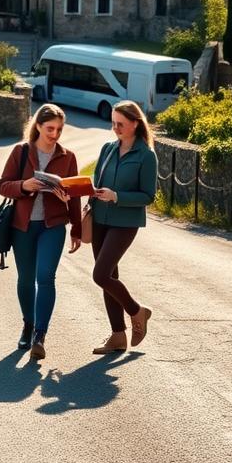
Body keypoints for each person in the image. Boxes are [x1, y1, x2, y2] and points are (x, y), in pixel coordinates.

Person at [0, 104, 84, 359]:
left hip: (53, 226)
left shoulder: (68, 157)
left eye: (59, 129)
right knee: (25, 279)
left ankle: (40, 335)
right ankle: (28, 324)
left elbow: (75, 196)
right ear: (37, 126)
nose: (55, 134)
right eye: (50, 129)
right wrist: (25, 185)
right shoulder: (21, 152)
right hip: (23, 226)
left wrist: (76, 228)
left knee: (46, 277)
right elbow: (3, 186)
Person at [86, 100, 158, 355]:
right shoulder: (107, 149)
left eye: (121, 124)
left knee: (100, 274)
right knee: (109, 278)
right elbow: (97, 181)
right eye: (113, 123)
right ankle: (118, 336)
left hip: (125, 222)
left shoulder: (146, 156)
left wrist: (117, 196)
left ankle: (137, 311)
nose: (115, 128)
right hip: (100, 219)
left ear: (135, 124)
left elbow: (149, 196)